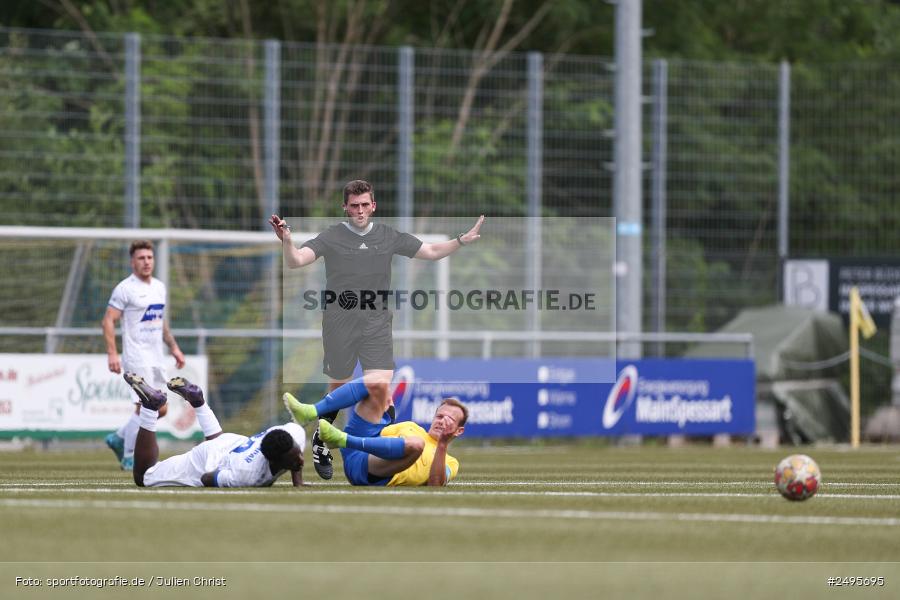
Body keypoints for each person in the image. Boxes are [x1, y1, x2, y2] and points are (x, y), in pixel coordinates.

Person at [270, 179, 483, 480]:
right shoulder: (332, 236)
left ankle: (333, 429)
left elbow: (432, 251)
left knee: (380, 385)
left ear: (373, 206)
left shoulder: (387, 236)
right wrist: (287, 240)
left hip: (377, 321)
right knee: (340, 390)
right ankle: (321, 438)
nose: (359, 210)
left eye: (364, 205)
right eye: (353, 205)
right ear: (345, 207)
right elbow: (297, 261)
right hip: (339, 320)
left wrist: (461, 240)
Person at [123, 372, 306, 488]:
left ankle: (198, 401)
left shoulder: (294, 435)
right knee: (143, 477)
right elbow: (206, 479)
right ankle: (150, 407)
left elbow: (293, 448)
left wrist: (298, 482)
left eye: (298, 453)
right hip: (211, 458)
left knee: (218, 442)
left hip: (233, 443)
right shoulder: (248, 477)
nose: (301, 460)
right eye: (295, 458)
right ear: (274, 461)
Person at [284, 375, 466, 486]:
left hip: (369, 471)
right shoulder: (412, 427)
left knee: (416, 445)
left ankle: (341, 439)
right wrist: (385, 408)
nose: (442, 421)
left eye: (450, 420)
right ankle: (310, 412)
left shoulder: (450, 462)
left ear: (458, 431)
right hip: (363, 441)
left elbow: (435, 483)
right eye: (440, 416)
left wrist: (442, 444)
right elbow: (382, 431)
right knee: (379, 383)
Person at [102, 240, 186, 471]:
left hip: (156, 357)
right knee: (145, 406)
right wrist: (112, 353)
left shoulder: (159, 287)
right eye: (141, 258)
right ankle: (129, 455)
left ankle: (119, 438)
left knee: (162, 408)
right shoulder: (125, 289)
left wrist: (174, 347)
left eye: (149, 257)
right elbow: (108, 320)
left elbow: (161, 322)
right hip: (136, 356)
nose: (146, 262)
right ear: (132, 262)